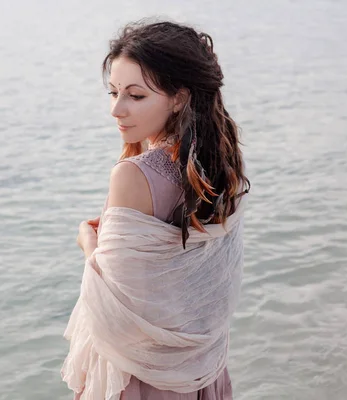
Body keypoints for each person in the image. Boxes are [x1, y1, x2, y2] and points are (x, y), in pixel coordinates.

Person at [61, 20, 251, 400]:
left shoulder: (133, 175)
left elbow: (118, 305)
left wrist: (88, 243)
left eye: (136, 96)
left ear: (179, 97)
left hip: (143, 380)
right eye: (113, 92)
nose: (117, 109)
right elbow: (202, 285)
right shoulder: (223, 164)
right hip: (200, 369)